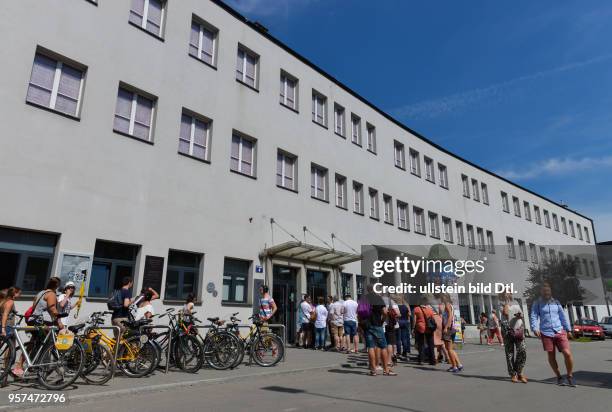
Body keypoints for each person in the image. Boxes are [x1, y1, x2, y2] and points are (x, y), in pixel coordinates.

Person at [14, 277, 64, 376]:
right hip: (44, 322)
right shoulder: (51, 294)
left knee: (33, 343)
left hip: (34, 320)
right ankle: (41, 370)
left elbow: (34, 308)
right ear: (56, 286)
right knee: (47, 345)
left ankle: (20, 365)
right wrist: (59, 321)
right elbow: (52, 309)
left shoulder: (40, 293)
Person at [530, 282, 575, 387]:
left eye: (548, 290)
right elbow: (533, 315)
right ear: (541, 292)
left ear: (550, 291)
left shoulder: (556, 302)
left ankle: (570, 376)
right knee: (551, 355)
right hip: (546, 332)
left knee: (567, 353)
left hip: (559, 331)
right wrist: (534, 327)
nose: (546, 292)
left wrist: (568, 329)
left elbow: (562, 316)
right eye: (544, 290)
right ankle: (559, 377)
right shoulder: (537, 303)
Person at [362, 284, 396, 376]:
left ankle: (373, 370)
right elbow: (385, 312)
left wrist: (361, 325)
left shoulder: (363, 299)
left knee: (371, 347)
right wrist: (382, 321)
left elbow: (359, 313)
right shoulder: (378, 298)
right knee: (383, 347)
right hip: (377, 325)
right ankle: (386, 370)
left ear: (367, 289)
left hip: (367, 326)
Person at [499, 292, 527, 383]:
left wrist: (520, 315)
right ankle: (513, 374)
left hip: (518, 329)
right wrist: (506, 301)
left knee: (522, 350)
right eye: (506, 292)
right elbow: (506, 313)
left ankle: (519, 371)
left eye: (510, 292)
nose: (509, 294)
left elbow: (522, 315)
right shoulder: (501, 303)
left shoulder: (516, 302)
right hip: (507, 331)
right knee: (509, 353)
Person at [441, 294, 463, 372]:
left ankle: (454, 366)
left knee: (449, 349)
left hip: (449, 329)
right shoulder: (450, 305)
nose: (441, 298)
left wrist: (446, 327)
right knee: (451, 349)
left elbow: (450, 316)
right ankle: (459, 364)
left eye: (442, 296)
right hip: (452, 328)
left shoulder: (447, 305)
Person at [413, 294, 436, 365]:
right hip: (429, 328)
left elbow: (414, 320)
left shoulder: (416, 309)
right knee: (430, 344)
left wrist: (413, 328)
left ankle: (421, 360)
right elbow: (433, 319)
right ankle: (432, 360)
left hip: (420, 328)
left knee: (421, 344)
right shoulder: (430, 309)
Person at [382, 293, 400, 366]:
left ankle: (381, 360)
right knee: (390, 343)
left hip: (380, 324)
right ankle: (390, 360)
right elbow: (398, 313)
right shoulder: (392, 302)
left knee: (381, 344)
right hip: (390, 325)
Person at [395, 294, 411, 358]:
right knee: (404, 338)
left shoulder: (396, 306)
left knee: (398, 339)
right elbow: (409, 314)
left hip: (398, 322)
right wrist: (408, 320)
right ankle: (405, 352)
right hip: (405, 322)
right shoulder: (405, 306)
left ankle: (399, 352)